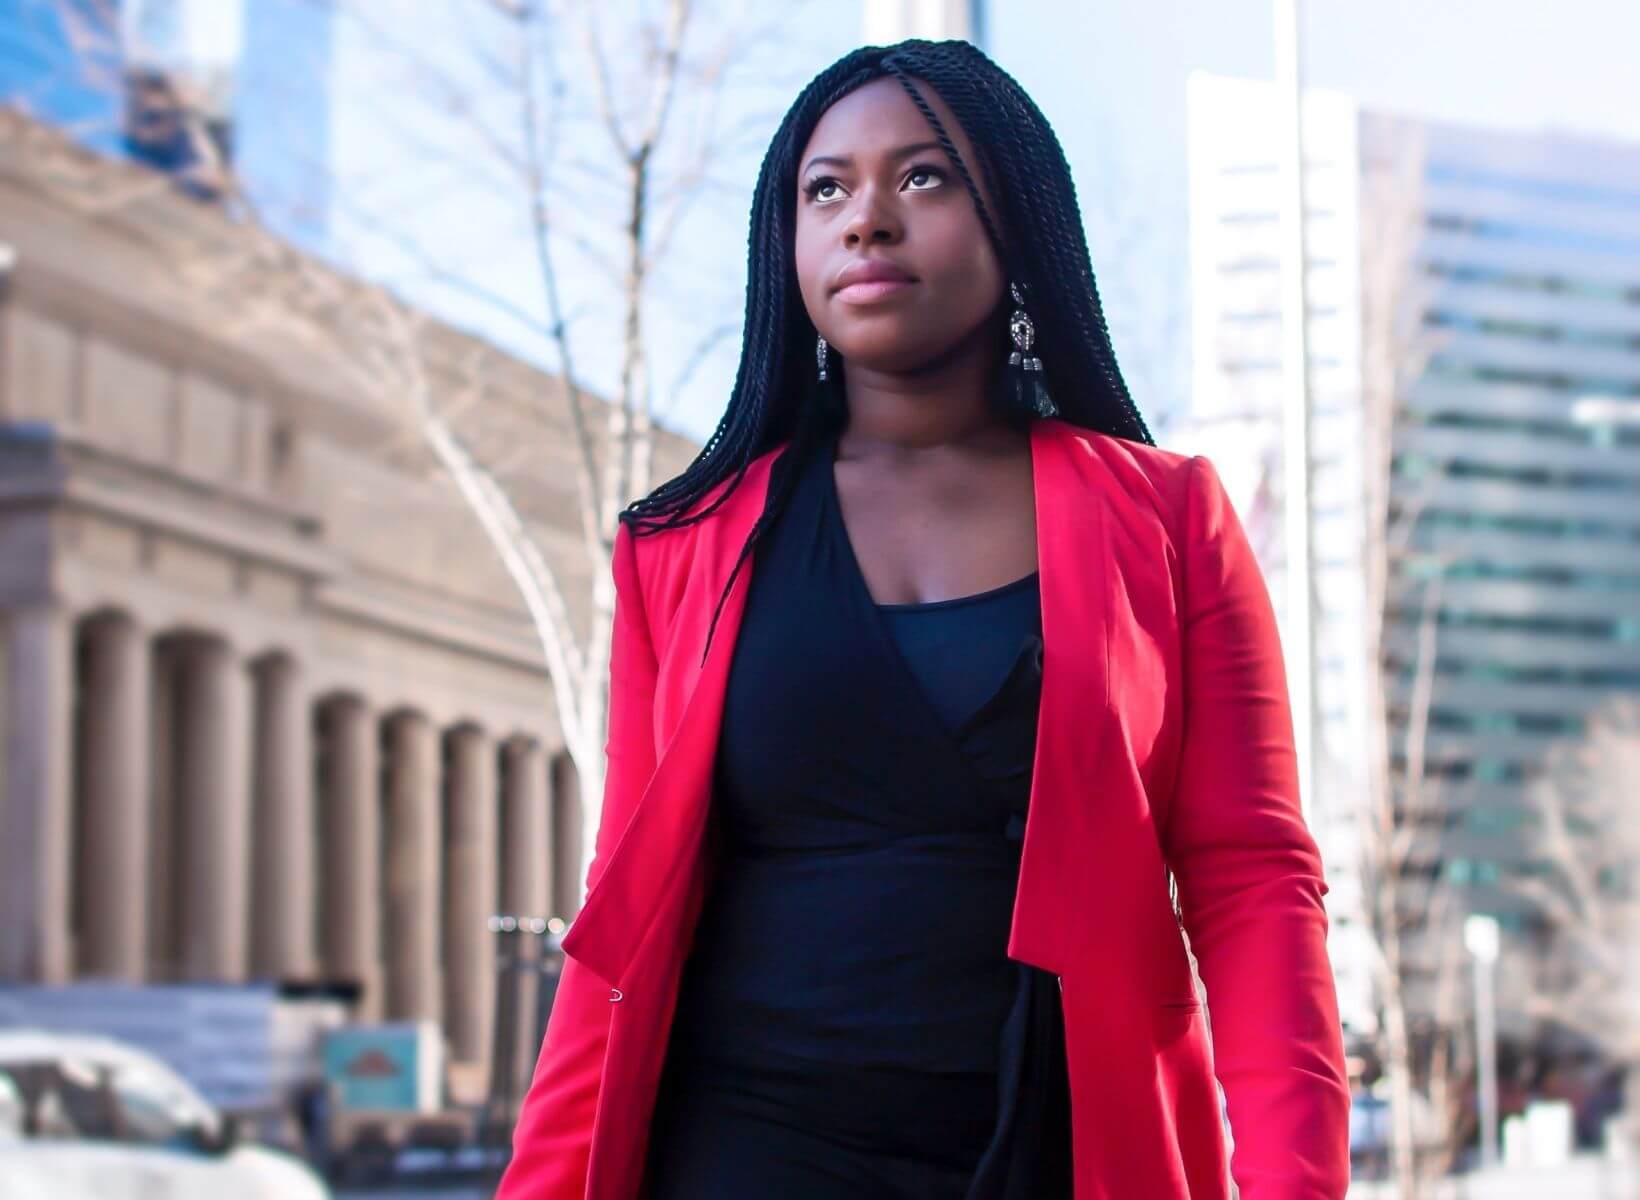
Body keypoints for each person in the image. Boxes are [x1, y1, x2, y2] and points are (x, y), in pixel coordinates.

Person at [496, 38, 1350, 1200]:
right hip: (744, 1143)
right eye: (826, 188)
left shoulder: (1167, 520)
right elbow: (625, 916)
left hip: (1057, 1137)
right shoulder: (677, 547)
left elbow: (1251, 884)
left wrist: (1296, 1185)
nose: (866, 219)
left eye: (923, 177)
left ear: (1017, 218)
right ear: (785, 241)